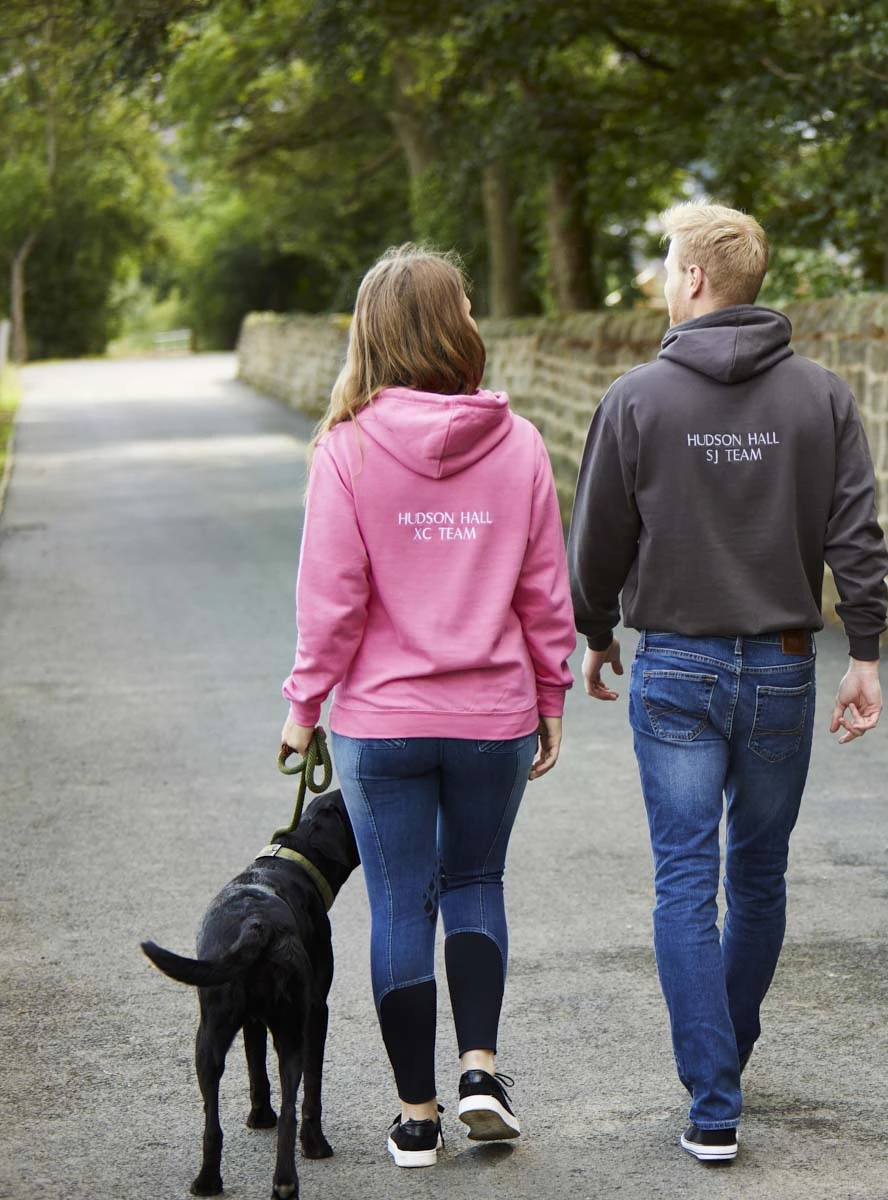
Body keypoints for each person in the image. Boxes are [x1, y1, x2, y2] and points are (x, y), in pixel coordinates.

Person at [567, 203, 888, 1162]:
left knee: (683, 881)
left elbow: (596, 544)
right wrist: (864, 654)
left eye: (669, 266)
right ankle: (725, 1058)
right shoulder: (822, 397)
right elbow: (855, 537)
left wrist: (594, 632)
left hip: (674, 663)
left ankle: (714, 1097)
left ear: (697, 281)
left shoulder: (636, 400)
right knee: (758, 875)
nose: (667, 281)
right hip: (785, 665)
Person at [280, 244, 576, 1169]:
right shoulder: (519, 442)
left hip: (382, 721)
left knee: (401, 902)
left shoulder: (347, 447)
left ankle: (416, 1117)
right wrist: (551, 690)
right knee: (477, 883)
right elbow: (542, 589)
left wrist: (303, 706)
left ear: (373, 333)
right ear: (457, 327)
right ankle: (480, 1071)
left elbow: (334, 598)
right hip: (493, 713)